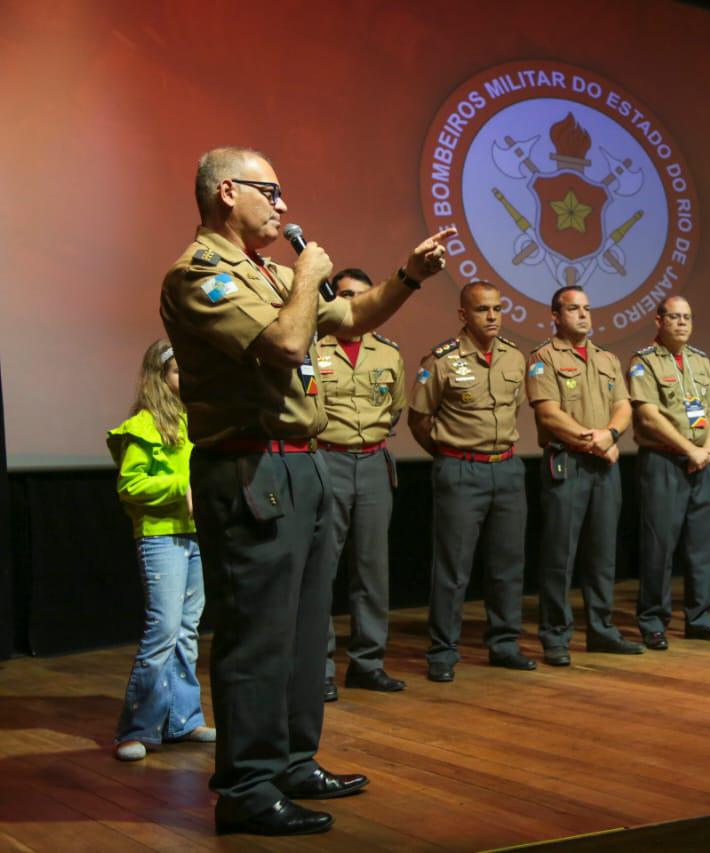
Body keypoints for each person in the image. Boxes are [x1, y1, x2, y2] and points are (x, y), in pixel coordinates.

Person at [160, 146, 454, 836]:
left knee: (302, 628)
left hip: (302, 461)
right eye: (272, 191)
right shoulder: (201, 275)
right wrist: (308, 279)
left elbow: (350, 320)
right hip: (249, 465)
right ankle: (248, 787)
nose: (284, 205)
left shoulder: (267, 271)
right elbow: (288, 345)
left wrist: (408, 275)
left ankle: (292, 759)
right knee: (257, 636)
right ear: (228, 192)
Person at [409, 281, 535, 682]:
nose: (493, 317)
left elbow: (514, 409)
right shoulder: (441, 360)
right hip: (461, 469)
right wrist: (451, 454)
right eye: (483, 310)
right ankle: (443, 651)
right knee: (453, 568)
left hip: (508, 468)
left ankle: (504, 643)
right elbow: (420, 419)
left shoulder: (515, 358)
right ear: (464, 315)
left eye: (498, 309)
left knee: (507, 564)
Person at [107, 340, 215, 762]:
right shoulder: (143, 426)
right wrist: (180, 490)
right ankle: (136, 728)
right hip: (161, 536)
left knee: (188, 631)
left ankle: (183, 720)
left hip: (197, 535)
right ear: (159, 376)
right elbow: (129, 487)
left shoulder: (199, 422)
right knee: (163, 631)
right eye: (177, 371)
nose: (185, 378)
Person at [527, 285, 642, 665]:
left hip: (604, 464)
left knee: (602, 555)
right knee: (560, 556)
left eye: (587, 309)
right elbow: (547, 413)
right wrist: (592, 440)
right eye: (573, 309)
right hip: (568, 464)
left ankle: (601, 630)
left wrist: (610, 435)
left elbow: (623, 406)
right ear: (556, 316)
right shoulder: (543, 357)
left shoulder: (606, 359)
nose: (583, 315)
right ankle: (556, 637)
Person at [317, 268, 407, 701]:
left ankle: (367, 664)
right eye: (345, 295)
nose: (353, 304)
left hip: (373, 462)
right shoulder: (314, 346)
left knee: (371, 572)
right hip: (325, 461)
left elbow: (395, 410)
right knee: (322, 571)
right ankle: (319, 672)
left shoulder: (388, 352)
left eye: (361, 296)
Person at [628, 295, 710, 649]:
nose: (682, 323)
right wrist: (690, 449)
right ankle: (653, 621)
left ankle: (699, 618)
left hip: (702, 461)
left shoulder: (699, 361)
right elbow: (648, 415)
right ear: (659, 321)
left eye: (687, 317)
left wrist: (708, 447)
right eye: (674, 317)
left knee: (702, 546)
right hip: (664, 462)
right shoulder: (644, 363)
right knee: (660, 546)